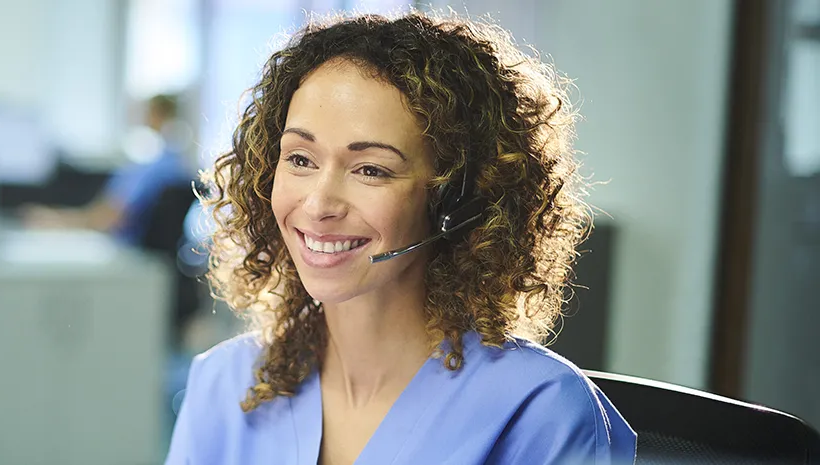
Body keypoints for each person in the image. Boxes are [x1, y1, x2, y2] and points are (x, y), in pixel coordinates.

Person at [166, 11, 637, 465]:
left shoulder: (540, 412)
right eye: (301, 159)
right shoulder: (222, 384)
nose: (318, 204)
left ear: (456, 200)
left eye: (371, 169)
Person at [22, 94, 195, 247]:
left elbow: (109, 217)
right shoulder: (175, 164)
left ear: (157, 114)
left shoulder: (152, 170)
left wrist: (59, 221)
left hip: (128, 251)